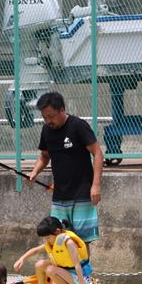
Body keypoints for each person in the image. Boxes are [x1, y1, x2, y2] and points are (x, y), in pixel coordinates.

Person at [27, 91, 104, 246]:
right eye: (44, 117)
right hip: (59, 195)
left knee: (81, 242)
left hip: (82, 193)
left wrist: (95, 185)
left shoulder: (78, 126)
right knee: (58, 238)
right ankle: (65, 270)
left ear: (62, 109)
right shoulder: (46, 130)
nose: (48, 121)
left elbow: (97, 154)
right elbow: (44, 156)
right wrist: (35, 171)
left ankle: (84, 270)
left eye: (51, 116)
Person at [13, 216, 93, 284]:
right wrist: (22, 259)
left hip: (81, 279)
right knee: (40, 264)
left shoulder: (69, 242)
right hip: (68, 274)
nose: (46, 240)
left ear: (58, 231)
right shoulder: (53, 242)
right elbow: (35, 250)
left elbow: (77, 265)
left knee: (50, 270)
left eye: (47, 237)